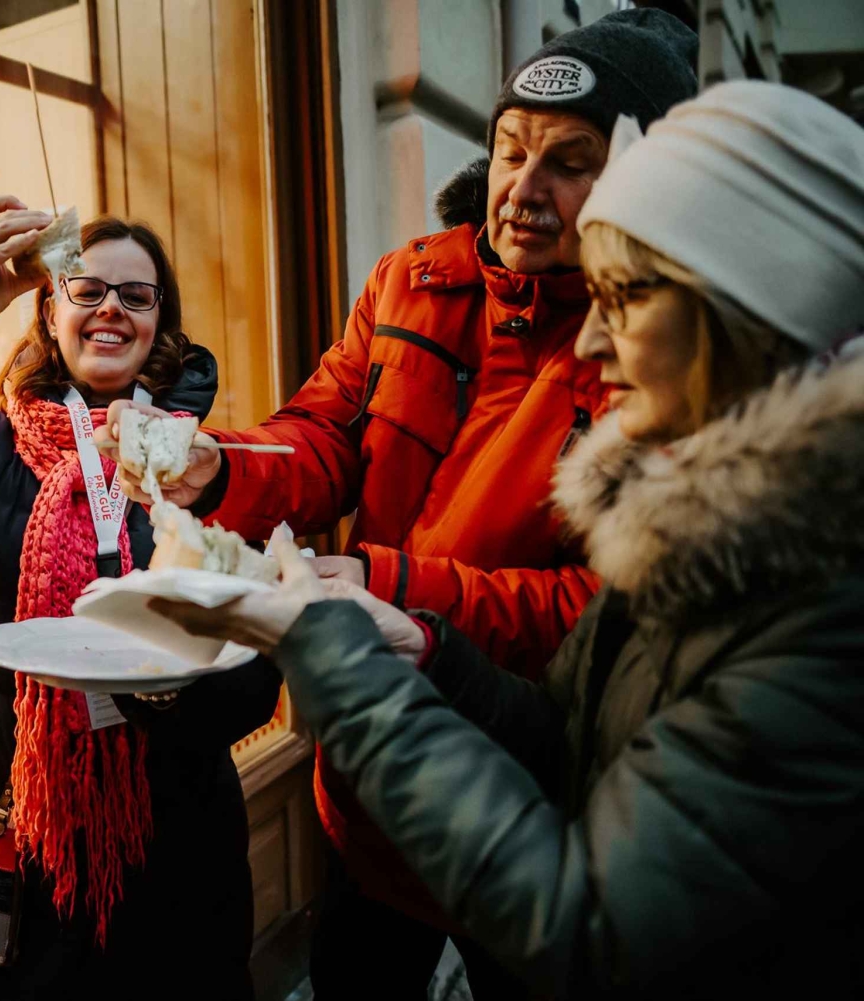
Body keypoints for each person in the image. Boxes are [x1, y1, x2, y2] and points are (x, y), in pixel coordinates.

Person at [154, 80, 864, 999]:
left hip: (492, 843)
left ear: (750, 316)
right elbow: (572, 733)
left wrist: (354, 650)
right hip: (403, 799)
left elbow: (587, 929)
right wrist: (419, 644)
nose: (524, 188)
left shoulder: (811, 609)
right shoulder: (698, 509)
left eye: (625, 296)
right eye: (511, 150)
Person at [103, 8, 700, 997]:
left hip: (526, 794)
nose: (524, 189)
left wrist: (388, 585)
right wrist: (219, 464)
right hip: (367, 780)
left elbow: (599, 609)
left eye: (570, 163)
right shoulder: (411, 280)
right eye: (511, 149)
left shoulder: (651, 345)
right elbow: (323, 436)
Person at [0, 203, 281, 999]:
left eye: (137, 295)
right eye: (87, 289)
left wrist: (166, 684)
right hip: (4, 849)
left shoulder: (200, 466)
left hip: (170, 854)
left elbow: (257, 680)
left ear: (160, 325)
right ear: (50, 311)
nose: (112, 307)